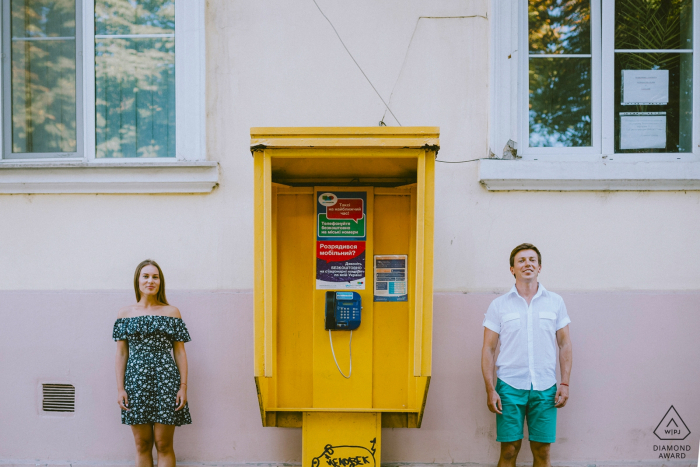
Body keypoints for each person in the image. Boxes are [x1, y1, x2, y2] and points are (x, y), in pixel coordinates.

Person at [481, 244, 572, 467]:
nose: (527, 264)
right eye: (521, 260)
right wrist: (490, 389)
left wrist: (565, 383)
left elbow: (564, 344)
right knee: (510, 450)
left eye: (532, 260)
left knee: (542, 451)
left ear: (539, 267)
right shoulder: (499, 305)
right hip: (509, 388)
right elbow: (488, 349)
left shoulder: (555, 302)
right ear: (512, 268)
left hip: (546, 387)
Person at [114, 259, 192, 467]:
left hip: (166, 382)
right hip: (136, 384)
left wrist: (183, 387)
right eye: (146, 276)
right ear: (137, 281)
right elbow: (121, 353)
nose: (150, 281)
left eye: (155, 277)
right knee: (142, 444)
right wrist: (121, 388)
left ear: (160, 282)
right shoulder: (124, 314)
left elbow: (180, 352)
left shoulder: (172, 312)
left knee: (164, 444)